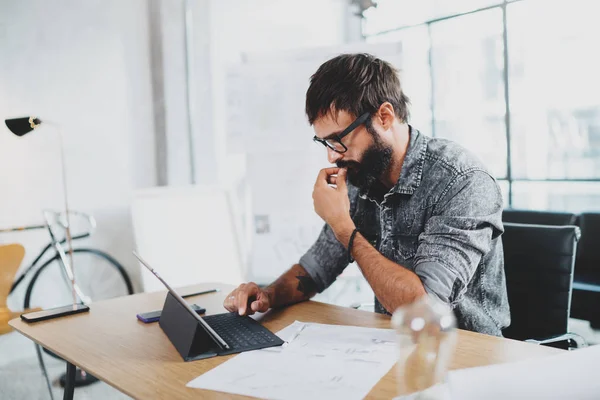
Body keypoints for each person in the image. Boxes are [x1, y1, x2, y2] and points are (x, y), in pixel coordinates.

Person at [224, 53, 510, 336]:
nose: (332, 156)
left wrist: (344, 228)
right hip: (392, 347)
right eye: (324, 142)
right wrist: (267, 296)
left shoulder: (462, 182)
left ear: (384, 116)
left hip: (466, 356)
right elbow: (314, 270)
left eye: (339, 140)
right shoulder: (364, 175)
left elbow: (426, 308)